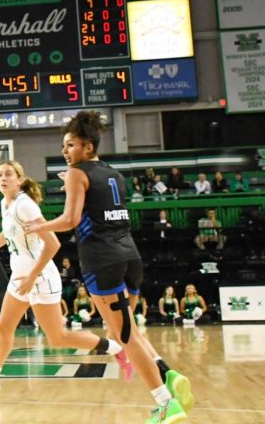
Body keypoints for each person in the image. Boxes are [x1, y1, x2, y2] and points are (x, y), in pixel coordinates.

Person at [25, 111, 194, 423]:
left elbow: (71, 220)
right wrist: (73, 184)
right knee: (125, 330)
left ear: (88, 146)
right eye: (64, 146)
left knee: (124, 337)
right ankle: (167, 373)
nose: (65, 151)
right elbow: (100, 203)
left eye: (71, 145)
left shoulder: (77, 174)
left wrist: (39, 226)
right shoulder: (113, 173)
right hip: (130, 257)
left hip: (102, 260)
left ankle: (165, 403)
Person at [0, 160, 133, 393]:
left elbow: (53, 243)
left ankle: (116, 349)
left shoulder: (25, 205)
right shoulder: (6, 203)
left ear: (19, 179)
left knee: (58, 337)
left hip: (40, 278)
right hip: (21, 277)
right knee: (4, 327)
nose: (3, 178)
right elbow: (7, 233)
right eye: (0, 175)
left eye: (8, 174)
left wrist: (32, 277)